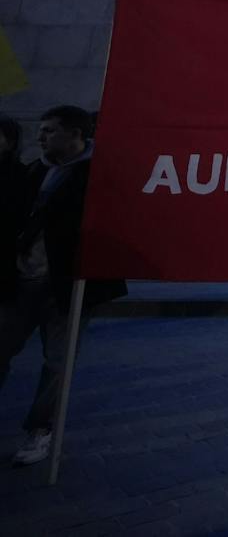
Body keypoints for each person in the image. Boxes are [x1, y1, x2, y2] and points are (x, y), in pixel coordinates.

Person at [0, 105, 126, 466]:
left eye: (50, 130)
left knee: (58, 363)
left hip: (68, 285)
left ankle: (41, 430)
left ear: (76, 134)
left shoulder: (100, 175)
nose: (40, 136)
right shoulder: (32, 172)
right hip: (22, 281)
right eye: (40, 130)